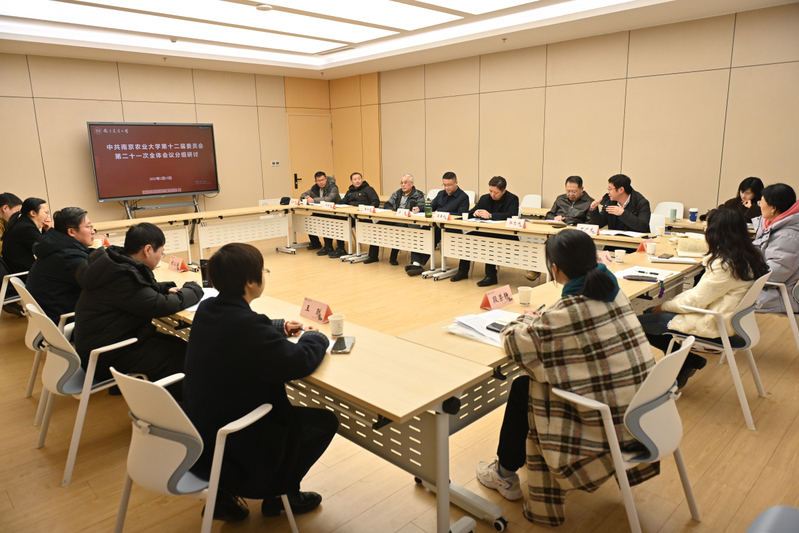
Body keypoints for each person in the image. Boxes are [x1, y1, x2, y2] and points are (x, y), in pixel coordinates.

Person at [476, 229, 657, 527]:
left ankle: (504, 473)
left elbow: (515, 343)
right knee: (529, 384)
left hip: (608, 427)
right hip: (643, 416)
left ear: (555, 268)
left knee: (525, 386)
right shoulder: (613, 290)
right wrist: (542, 321)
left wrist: (524, 319)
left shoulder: (568, 312)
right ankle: (507, 468)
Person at [183, 243, 337, 522]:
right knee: (324, 422)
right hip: (236, 438)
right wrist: (314, 338)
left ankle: (225, 496)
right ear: (251, 281)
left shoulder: (207, 308)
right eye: (262, 271)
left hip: (203, 428)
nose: (264, 276)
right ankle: (281, 493)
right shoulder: (248, 327)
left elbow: (244, 330)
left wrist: (278, 327)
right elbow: (297, 362)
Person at [637, 209, 770, 388]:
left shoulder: (726, 265)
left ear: (717, 232)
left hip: (716, 322)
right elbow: (699, 295)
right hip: (729, 319)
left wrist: (665, 306)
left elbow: (695, 301)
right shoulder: (747, 256)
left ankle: (682, 364)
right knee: (649, 315)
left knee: (637, 324)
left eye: (708, 228)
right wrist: (668, 305)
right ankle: (688, 361)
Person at [74, 222, 202, 398]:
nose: (160, 257)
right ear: (148, 250)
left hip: (107, 343)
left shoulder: (115, 263)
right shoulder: (122, 276)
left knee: (182, 345)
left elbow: (137, 291)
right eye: (161, 253)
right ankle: (187, 400)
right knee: (184, 357)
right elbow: (160, 306)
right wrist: (193, 289)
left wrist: (164, 288)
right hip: (108, 355)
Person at [437, 176, 518, 286]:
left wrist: (490, 215)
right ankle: (463, 271)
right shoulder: (485, 198)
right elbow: (470, 212)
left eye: (496, 192)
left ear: (503, 191)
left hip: (504, 233)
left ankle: (491, 276)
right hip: (486, 230)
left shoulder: (512, 199)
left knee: (490, 242)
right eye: (490, 191)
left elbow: (511, 215)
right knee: (468, 239)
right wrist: (474, 213)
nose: (492, 194)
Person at [26, 207, 95, 324]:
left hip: (54, 312)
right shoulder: (67, 258)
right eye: (88, 227)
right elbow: (98, 283)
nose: (93, 231)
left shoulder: (55, 246)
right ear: (71, 232)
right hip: (67, 320)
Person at [404, 171, 469, 270]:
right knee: (421, 232)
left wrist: (441, 214)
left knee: (433, 233)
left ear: (456, 183)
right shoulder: (441, 194)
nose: (446, 188)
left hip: (451, 227)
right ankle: (416, 263)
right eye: (444, 185)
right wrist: (419, 209)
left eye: (449, 185)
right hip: (437, 225)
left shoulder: (463, 197)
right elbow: (431, 206)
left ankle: (419, 264)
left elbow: (461, 215)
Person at [752, 183, 799, 313]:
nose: (759, 205)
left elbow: (774, 274)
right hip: (768, 288)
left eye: (761, 202)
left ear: (773, 208)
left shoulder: (788, 236)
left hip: (779, 296)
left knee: (724, 297)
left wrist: (742, 273)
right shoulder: (773, 226)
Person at [381, 174, 425, 266]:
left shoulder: (418, 195)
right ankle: (372, 256)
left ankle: (393, 257)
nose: (403, 185)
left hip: (408, 221)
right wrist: (396, 211)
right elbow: (387, 204)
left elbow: (422, 207)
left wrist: (416, 209)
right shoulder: (397, 193)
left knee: (399, 228)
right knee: (377, 225)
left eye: (405, 182)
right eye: (401, 183)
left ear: (412, 184)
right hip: (395, 218)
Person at [1, 197, 51, 274]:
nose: (48, 216)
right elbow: (48, 249)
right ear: (33, 213)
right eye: (46, 212)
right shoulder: (26, 228)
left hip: (23, 272)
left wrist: (46, 231)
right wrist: (50, 231)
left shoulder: (22, 223)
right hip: (24, 275)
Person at [339, 172, 380, 262]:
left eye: (359, 179)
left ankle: (373, 256)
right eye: (355, 179)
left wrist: (365, 213)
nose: (357, 181)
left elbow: (376, 202)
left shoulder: (369, 189)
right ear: (351, 181)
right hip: (352, 217)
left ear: (362, 179)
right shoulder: (349, 192)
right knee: (340, 224)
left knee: (373, 231)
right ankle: (340, 249)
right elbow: (343, 203)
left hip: (365, 217)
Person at [301, 171, 343, 257]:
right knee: (309, 220)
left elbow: (330, 199)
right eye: (319, 180)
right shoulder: (315, 188)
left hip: (334, 212)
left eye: (323, 180)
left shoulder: (333, 187)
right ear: (315, 181)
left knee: (326, 221)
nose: (321, 182)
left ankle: (329, 246)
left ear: (326, 179)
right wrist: (306, 198)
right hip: (323, 211)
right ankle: (315, 243)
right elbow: (303, 195)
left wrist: (313, 200)